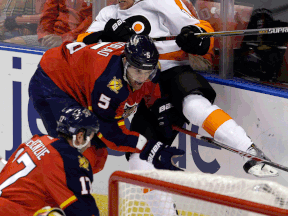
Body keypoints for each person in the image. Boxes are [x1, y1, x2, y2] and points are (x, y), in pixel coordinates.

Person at [77, 0, 278, 178]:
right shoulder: (108, 14)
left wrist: (195, 38)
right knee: (138, 160)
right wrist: (104, 37)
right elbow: (79, 47)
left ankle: (251, 152)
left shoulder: (163, 3)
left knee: (194, 105)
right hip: (134, 84)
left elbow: (201, 30)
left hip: (169, 72)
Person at [0, 106, 102, 216]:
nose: (90, 143)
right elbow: (85, 211)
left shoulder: (38, 139)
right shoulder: (70, 160)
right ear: (80, 136)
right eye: (90, 136)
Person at [3, 0, 92, 48]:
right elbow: (48, 15)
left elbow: (93, 22)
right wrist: (44, 36)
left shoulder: (99, 3)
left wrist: (64, 38)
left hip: (80, 40)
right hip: (53, 35)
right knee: (6, 46)